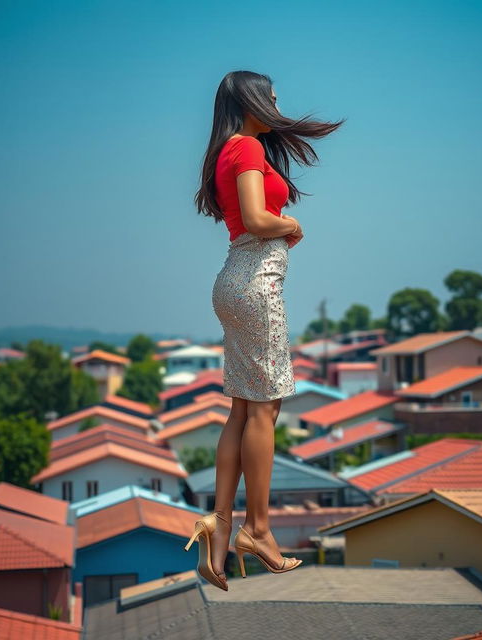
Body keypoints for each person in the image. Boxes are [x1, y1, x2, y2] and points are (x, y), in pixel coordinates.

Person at [186, 70, 345, 590]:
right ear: (249, 100)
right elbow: (256, 218)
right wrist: (292, 226)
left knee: (241, 406)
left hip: (231, 283)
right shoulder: (248, 149)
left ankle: (221, 521)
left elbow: (244, 219)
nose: (277, 105)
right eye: (271, 97)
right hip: (255, 285)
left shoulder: (225, 150)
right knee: (265, 408)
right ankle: (257, 529)